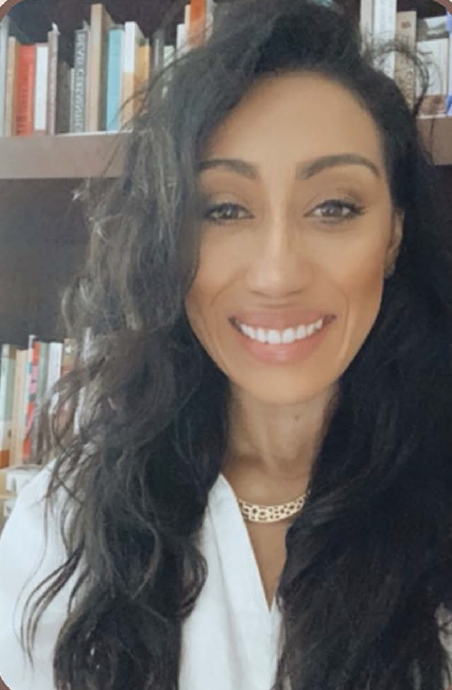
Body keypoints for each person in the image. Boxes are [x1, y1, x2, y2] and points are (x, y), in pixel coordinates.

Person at [1, 0, 452, 688]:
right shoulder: (56, 537)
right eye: (224, 209)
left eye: (334, 207)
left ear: (393, 233)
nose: (277, 274)